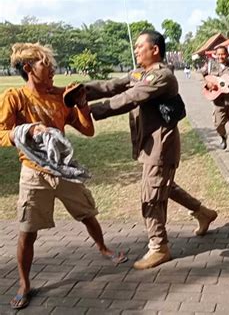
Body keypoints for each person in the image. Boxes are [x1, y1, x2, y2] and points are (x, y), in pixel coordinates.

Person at [0, 43, 127, 310]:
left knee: (87, 213)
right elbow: (1, 133)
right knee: (27, 232)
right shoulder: (15, 98)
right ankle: (24, 284)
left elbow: (88, 130)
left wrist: (81, 105)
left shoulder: (61, 96)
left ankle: (103, 248)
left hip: (64, 169)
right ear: (28, 69)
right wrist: (24, 131)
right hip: (33, 173)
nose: (54, 71)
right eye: (47, 67)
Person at [81, 30, 217, 270]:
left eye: (139, 46)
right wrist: (81, 91)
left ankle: (159, 247)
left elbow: (131, 97)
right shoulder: (141, 73)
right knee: (164, 186)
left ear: (154, 49)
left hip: (161, 147)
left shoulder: (161, 76)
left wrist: (91, 111)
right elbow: (113, 85)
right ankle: (203, 212)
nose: (135, 50)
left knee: (151, 197)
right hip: (150, 145)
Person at [202, 46, 229, 155]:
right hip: (218, 101)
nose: (221, 56)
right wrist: (208, 84)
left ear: (227, 55)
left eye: (223, 54)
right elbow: (205, 79)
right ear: (215, 55)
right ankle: (223, 136)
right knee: (218, 124)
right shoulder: (210, 67)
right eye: (219, 54)